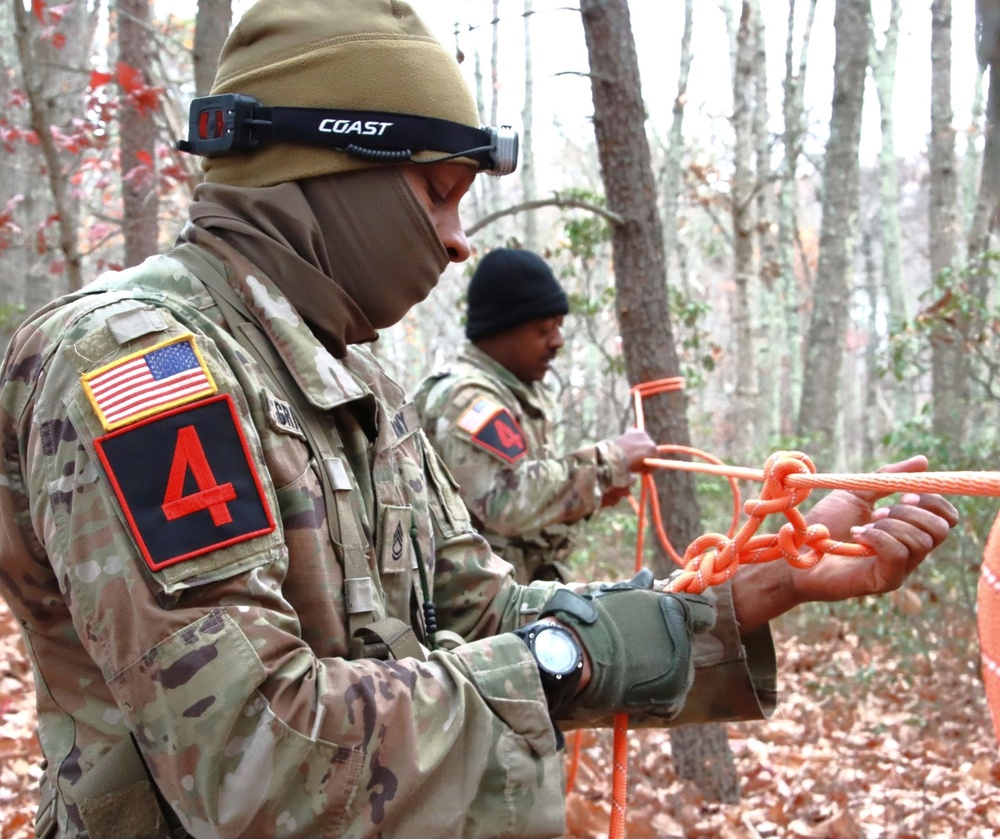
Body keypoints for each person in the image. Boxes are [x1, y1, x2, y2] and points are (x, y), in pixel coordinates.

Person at [0, 2, 958, 838]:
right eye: (440, 192)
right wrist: (559, 661)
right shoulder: (137, 364)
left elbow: (481, 612)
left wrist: (752, 590)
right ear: (334, 165)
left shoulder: (350, 381)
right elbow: (257, 758)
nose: (460, 241)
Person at [415, 247, 658, 584]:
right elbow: (504, 503)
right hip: (468, 614)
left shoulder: (516, 394)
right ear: (499, 328)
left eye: (559, 327)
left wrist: (584, 500)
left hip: (510, 596)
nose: (557, 341)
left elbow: (504, 523)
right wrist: (609, 462)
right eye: (543, 330)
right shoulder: (467, 399)